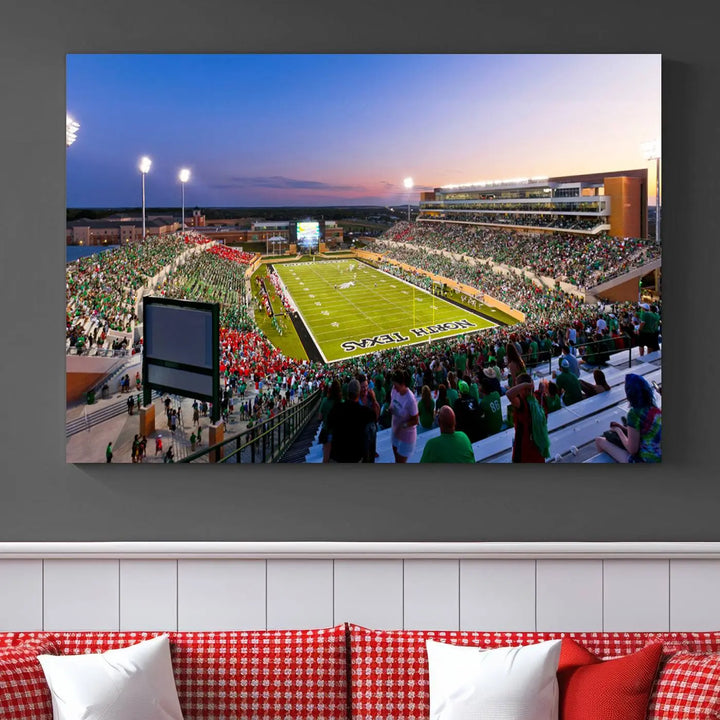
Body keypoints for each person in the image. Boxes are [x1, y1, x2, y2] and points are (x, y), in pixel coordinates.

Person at [594, 373, 661, 462]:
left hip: (645, 461)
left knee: (599, 441)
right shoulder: (656, 410)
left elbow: (632, 450)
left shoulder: (634, 414)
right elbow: (645, 432)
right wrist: (624, 428)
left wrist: (619, 431)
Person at [326, 379, 377, 463]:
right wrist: (374, 399)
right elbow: (375, 417)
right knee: (371, 427)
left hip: (336, 457)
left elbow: (328, 425)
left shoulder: (336, 408)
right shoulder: (364, 412)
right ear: (359, 392)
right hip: (354, 458)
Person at [506, 373, 550, 463]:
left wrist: (525, 385)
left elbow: (509, 394)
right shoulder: (536, 399)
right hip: (537, 446)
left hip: (524, 448)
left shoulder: (522, 404)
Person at [390, 368, 419, 463]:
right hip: (395, 431)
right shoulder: (394, 390)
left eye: (396, 385)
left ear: (403, 385)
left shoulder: (410, 399)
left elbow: (415, 420)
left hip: (406, 436)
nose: (394, 387)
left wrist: (404, 426)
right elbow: (393, 403)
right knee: (396, 460)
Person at [318, 380, 342, 463]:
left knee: (326, 459)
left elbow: (319, 417)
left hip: (327, 431)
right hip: (339, 434)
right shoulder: (342, 402)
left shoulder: (325, 400)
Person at [478, 372, 503, 438]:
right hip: (500, 424)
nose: (478, 387)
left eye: (480, 385)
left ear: (482, 388)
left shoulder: (483, 402)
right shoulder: (496, 394)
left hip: (491, 429)